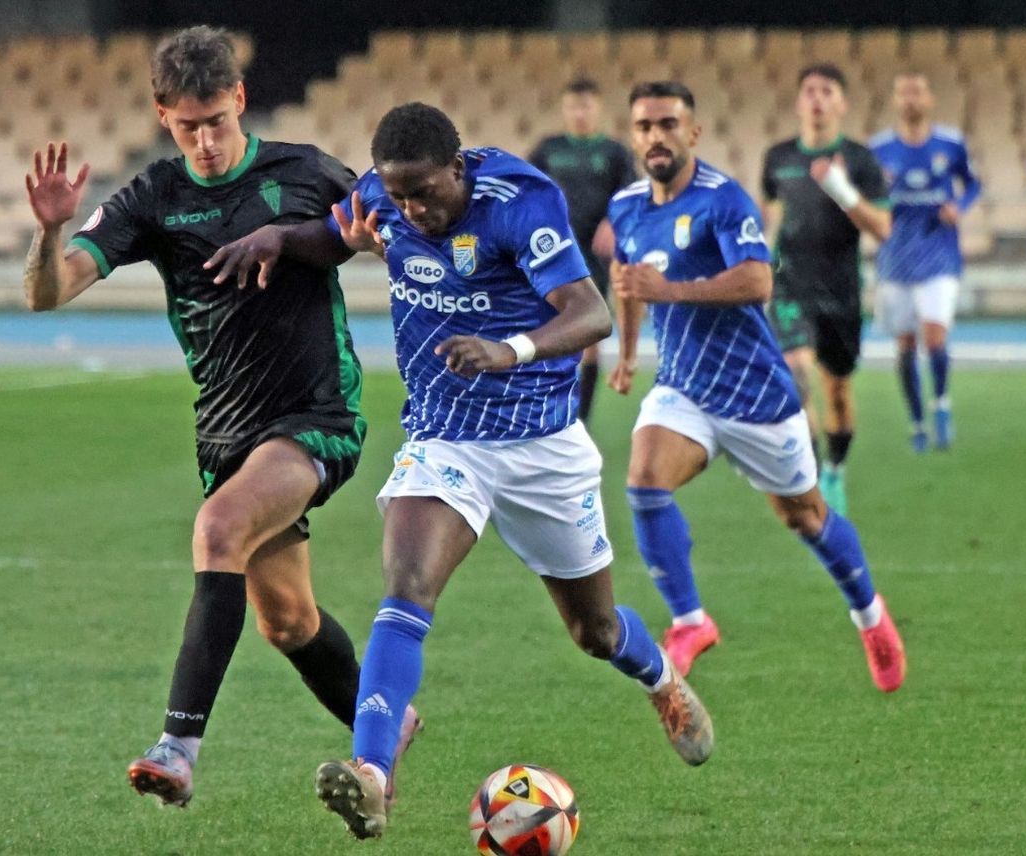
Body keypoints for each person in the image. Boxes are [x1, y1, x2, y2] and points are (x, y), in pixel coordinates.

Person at [207, 102, 713, 842]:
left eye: (427, 193)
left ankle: (661, 679)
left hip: (542, 440)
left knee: (595, 630)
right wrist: (280, 238)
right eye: (399, 195)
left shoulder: (522, 200)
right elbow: (336, 235)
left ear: (458, 168)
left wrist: (507, 349)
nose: (414, 210)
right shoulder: (385, 197)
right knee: (406, 588)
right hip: (446, 440)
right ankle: (374, 774)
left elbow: (590, 313)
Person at [19, 25, 416, 810]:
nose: (204, 142)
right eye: (186, 126)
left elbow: (386, 232)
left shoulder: (304, 172)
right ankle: (389, 728)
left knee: (217, 530)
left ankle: (177, 748)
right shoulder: (154, 197)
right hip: (227, 432)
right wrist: (51, 228)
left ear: (240, 100)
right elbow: (47, 292)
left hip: (316, 415)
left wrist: (376, 241)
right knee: (288, 620)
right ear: (162, 115)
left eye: (217, 122)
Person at [607, 80, 906, 687]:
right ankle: (691, 621)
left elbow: (757, 281)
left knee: (807, 519)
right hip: (685, 388)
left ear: (692, 133)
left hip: (755, 394)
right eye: (644, 126)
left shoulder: (724, 199)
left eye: (668, 124)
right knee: (643, 479)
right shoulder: (628, 206)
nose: (655, 137)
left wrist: (673, 292)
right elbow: (629, 279)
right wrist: (630, 352)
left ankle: (871, 617)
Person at [760, 63, 891, 513]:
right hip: (791, 286)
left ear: (842, 103)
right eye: (809, 90)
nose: (816, 98)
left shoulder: (860, 159)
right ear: (799, 102)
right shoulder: (778, 158)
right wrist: (759, 265)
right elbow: (770, 220)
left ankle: (835, 469)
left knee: (837, 394)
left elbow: (884, 229)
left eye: (826, 90)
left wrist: (840, 188)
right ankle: (810, 483)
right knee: (796, 375)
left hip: (841, 291)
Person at [869, 72, 982, 452]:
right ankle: (916, 422)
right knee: (904, 344)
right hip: (895, 259)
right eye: (904, 93)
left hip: (939, 255)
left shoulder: (950, 144)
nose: (911, 99)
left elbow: (974, 184)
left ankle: (942, 405)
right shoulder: (879, 150)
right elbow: (866, 197)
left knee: (934, 335)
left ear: (930, 99)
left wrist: (960, 206)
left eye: (917, 91)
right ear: (896, 101)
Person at [528, 77, 638, 421]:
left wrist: (613, 221)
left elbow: (631, 198)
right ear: (564, 109)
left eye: (586, 106)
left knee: (589, 337)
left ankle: (581, 419)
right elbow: (525, 190)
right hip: (550, 252)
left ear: (598, 108)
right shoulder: (548, 149)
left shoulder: (615, 153)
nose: (580, 113)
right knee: (546, 329)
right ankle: (543, 407)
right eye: (573, 106)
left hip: (594, 255)